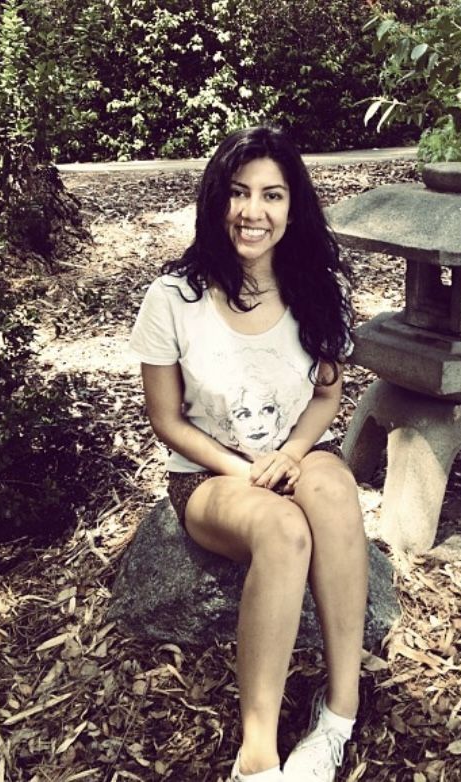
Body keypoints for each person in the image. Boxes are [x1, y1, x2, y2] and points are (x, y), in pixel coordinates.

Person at [129, 126, 369, 782]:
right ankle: (257, 751)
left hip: (297, 449)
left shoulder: (320, 290)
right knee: (285, 530)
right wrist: (248, 472)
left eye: (271, 195)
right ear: (216, 201)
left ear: (293, 207)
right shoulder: (171, 299)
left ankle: (339, 716)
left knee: (333, 494)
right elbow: (166, 421)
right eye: (238, 194)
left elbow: (327, 396)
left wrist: (292, 454)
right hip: (210, 474)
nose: (252, 211)